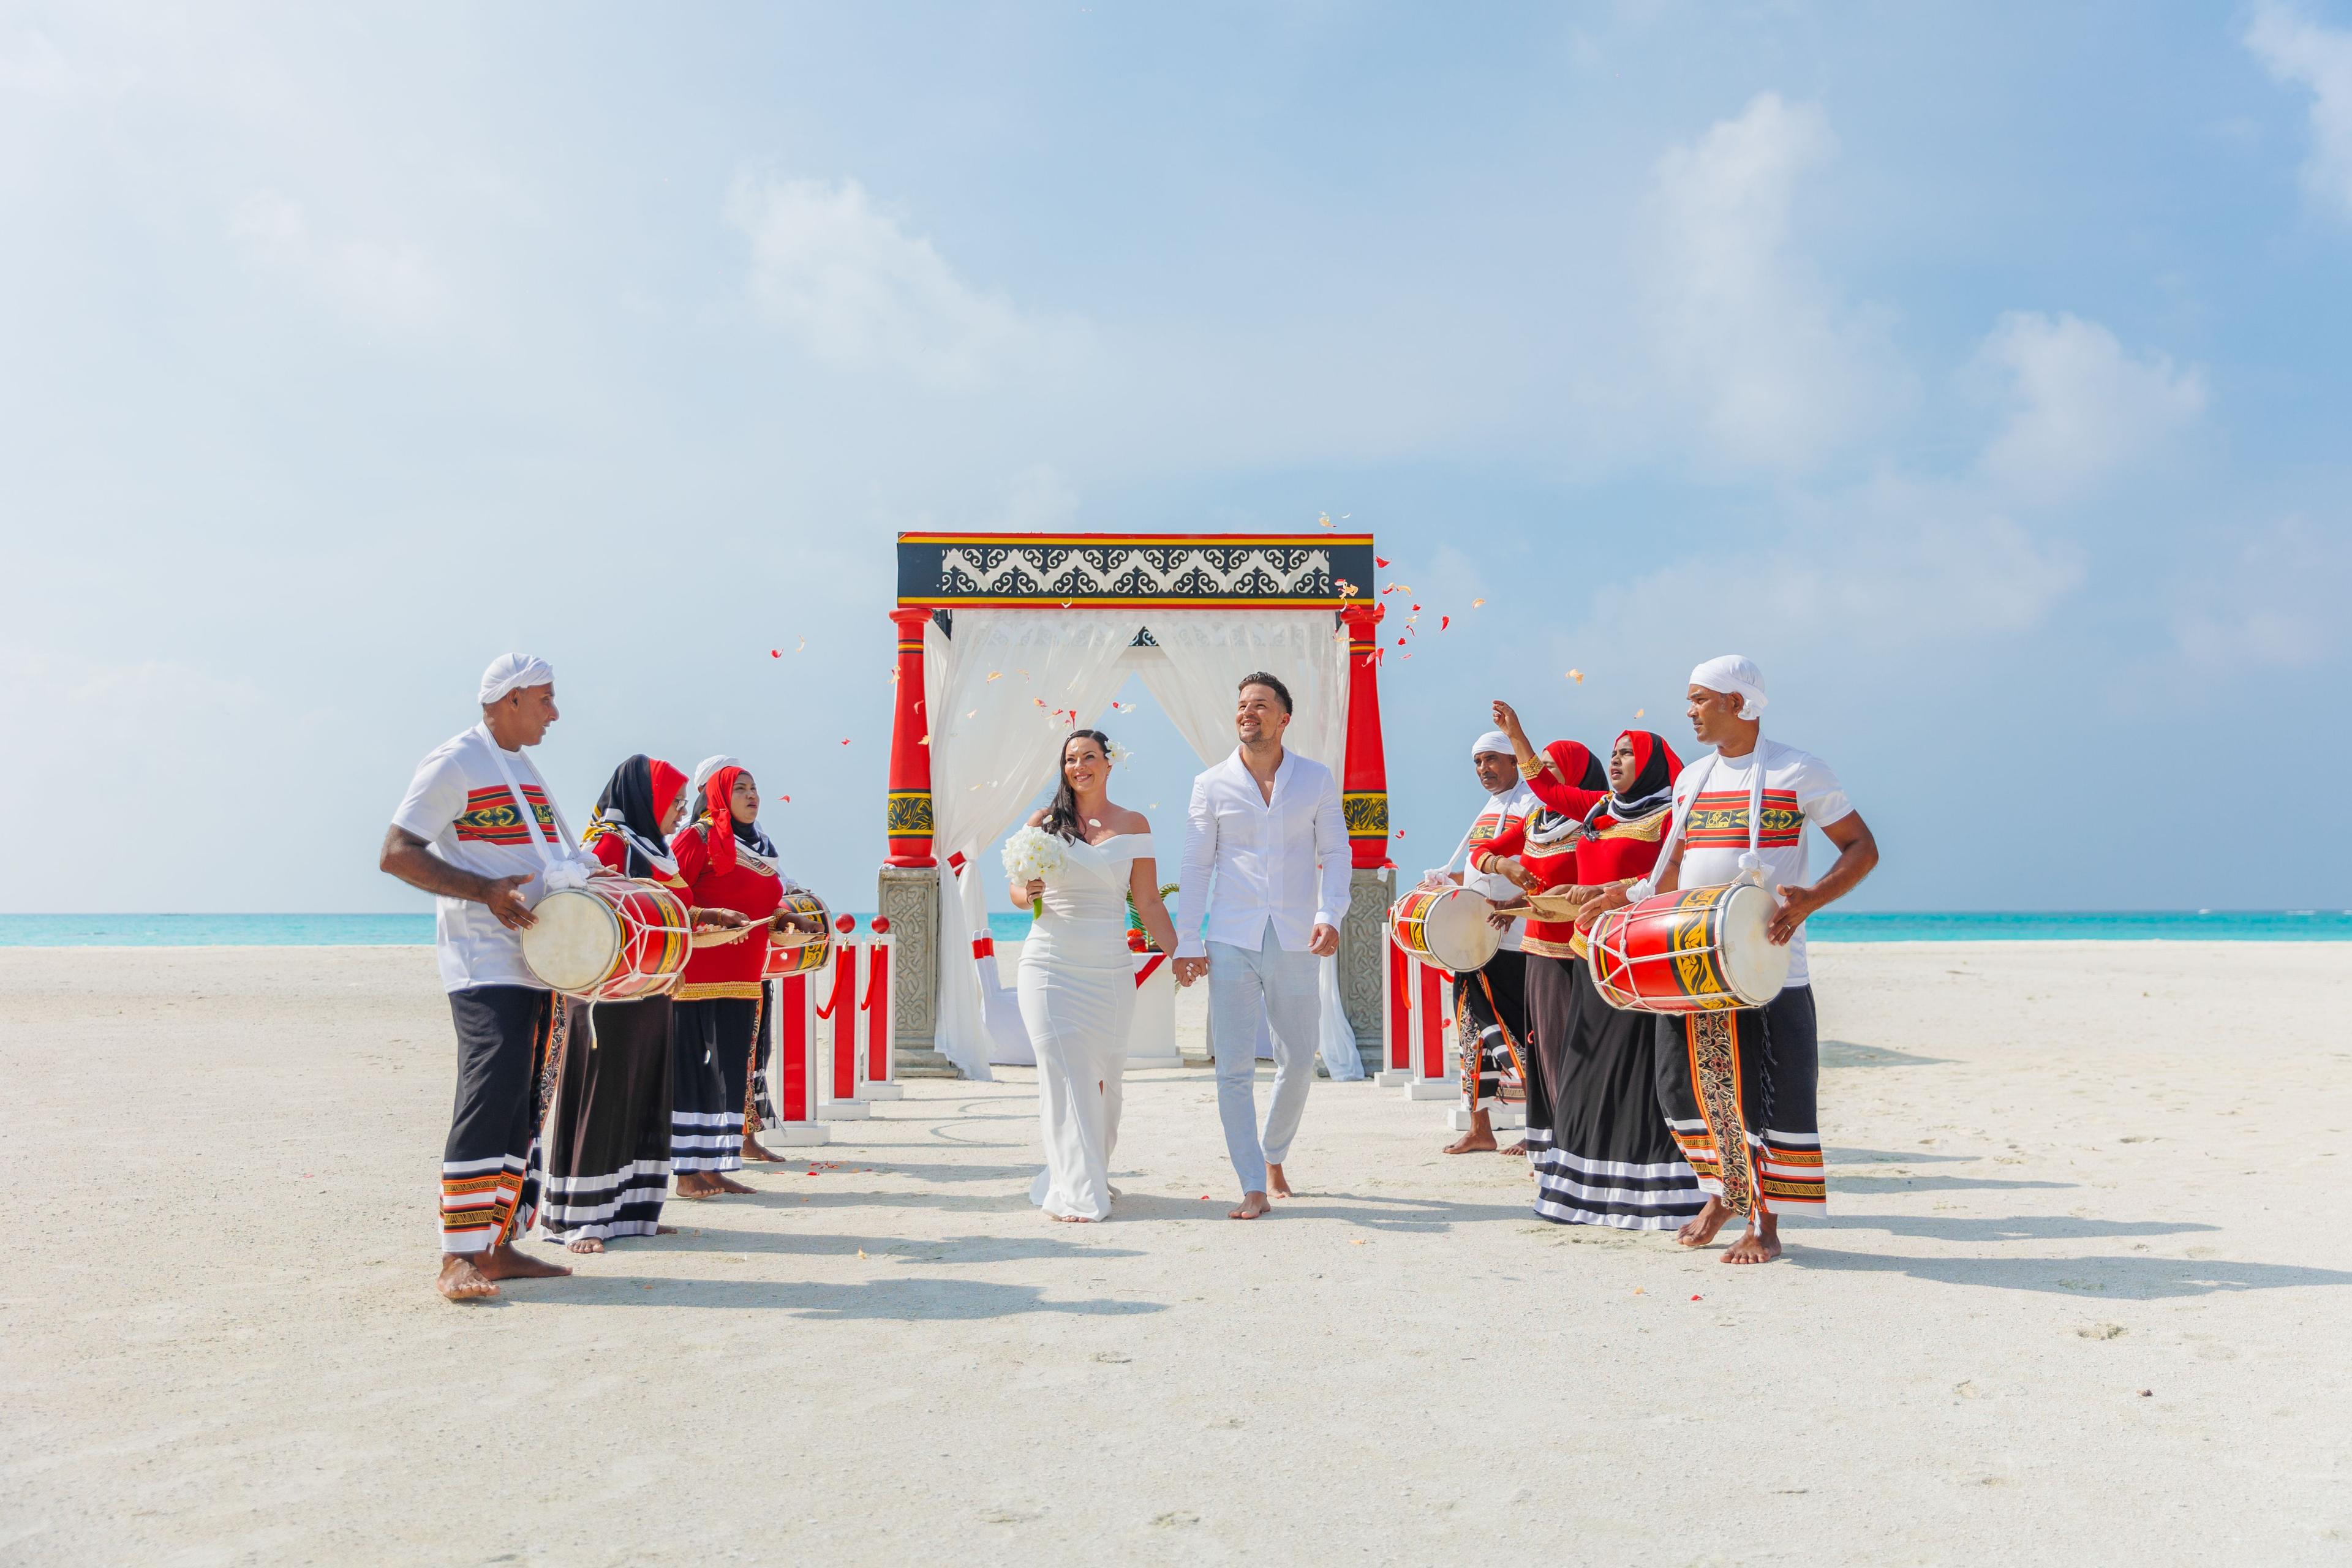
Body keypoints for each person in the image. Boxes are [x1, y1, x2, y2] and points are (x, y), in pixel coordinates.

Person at [1610, 655, 1879, 1264]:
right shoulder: (1690, 780)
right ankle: (1725, 1191)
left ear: (1739, 703)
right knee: (1685, 1086)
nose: (1690, 711)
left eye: (1701, 699)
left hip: (1768, 962)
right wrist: (1626, 903)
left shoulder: (1797, 770)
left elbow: (1863, 847)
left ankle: (1765, 1222)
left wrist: (1810, 899)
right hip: (1694, 960)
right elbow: (1672, 867)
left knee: (1766, 1091)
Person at [380, 653, 593, 1302]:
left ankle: (497, 1245)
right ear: (511, 699)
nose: (556, 713)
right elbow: (396, 853)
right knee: (487, 1093)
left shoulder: (522, 770)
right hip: (482, 962)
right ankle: (456, 1255)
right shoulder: (455, 761)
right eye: (546, 699)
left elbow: (560, 861)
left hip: (534, 962)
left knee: (520, 1103)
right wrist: (486, 892)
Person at [1483, 714, 1708, 1232]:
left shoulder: (1673, 815)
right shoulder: (1603, 809)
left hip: (1639, 962)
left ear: (1651, 764)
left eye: (1627, 753)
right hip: (1591, 956)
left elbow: (1673, 877)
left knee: (1635, 1077)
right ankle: (1587, 1194)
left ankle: (1654, 1197)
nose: (1615, 760)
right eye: (1613, 751)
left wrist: (1610, 891)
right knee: (1585, 1076)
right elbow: (1546, 786)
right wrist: (1516, 733)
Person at [537, 756, 747, 1253]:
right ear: (646, 802)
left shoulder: (654, 851)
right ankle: (585, 1219)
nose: (679, 812)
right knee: (605, 1095)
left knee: (644, 1096)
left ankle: (631, 1212)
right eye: (672, 803)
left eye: (680, 802)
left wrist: (707, 915)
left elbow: (667, 907)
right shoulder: (608, 845)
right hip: (607, 997)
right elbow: (588, 912)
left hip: (650, 991)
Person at [1172, 672, 1351, 1220]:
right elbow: (1197, 865)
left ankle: (1274, 1155)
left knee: (1299, 1060)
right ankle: (1252, 1183)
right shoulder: (1211, 784)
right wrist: (1187, 939)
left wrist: (1330, 914)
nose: (1248, 712)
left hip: (1299, 936)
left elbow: (1337, 853)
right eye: (1242, 705)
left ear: (1283, 718)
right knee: (1232, 1067)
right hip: (1230, 937)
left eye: (1260, 705)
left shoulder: (1316, 778)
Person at [1008, 729, 1184, 1222]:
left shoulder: (1133, 824)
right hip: (1048, 964)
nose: (1079, 766)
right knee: (1065, 1076)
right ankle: (1075, 1191)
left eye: (1089, 757)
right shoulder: (1043, 823)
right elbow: (1018, 894)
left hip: (1108, 969)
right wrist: (1032, 890)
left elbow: (1147, 901)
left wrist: (1181, 953)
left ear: (1109, 764)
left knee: (1106, 1083)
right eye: (1070, 758)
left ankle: (1086, 1171)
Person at [1464, 709, 1607, 1182]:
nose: (1541, 775)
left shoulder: (1599, 815)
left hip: (1583, 950)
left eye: (1552, 768)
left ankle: (1583, 1142)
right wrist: (1506, 872)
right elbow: (1480, 852)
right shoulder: (1537, 822)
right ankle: (1551, 1145)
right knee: (1543, 1045)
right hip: (1538, 947)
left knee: (1580, 1048)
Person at [668, 759, 822, 1194]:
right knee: (694, 1073)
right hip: (696, 977)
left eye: (754, 788)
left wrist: (790, 919)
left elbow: (764, 901)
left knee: (730, 1071)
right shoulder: (696, 838)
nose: (752, 795)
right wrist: (708, 917)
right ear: (718, 796)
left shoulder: (761, 846)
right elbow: (670, 894)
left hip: (744, 975)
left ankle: (715, 1166)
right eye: (740, 789)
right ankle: (685, 1175)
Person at [1419, 730, 1539, 1156]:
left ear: (1513, 761)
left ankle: (1538, 1128)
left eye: (1491, 760)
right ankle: (1480, 1127)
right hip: (1476, 946)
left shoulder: (1535, 804)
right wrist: (1444, 883)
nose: (1483, 770)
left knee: (1526, 1038)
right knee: (1473, 1035)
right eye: (1477, 763)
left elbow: (1548, 872)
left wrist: (1513, 904)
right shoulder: (1486, 810)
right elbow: (1477, 879)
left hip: (1520, 945)